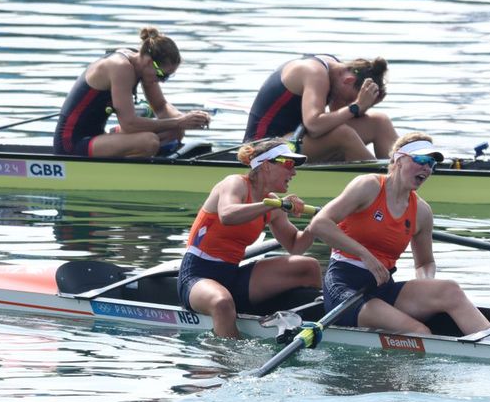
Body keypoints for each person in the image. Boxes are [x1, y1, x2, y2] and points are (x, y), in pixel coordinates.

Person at [308, 132, 490, 340]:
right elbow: (319, 224)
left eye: (431, 164)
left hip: (383, 287)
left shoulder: (422, 211)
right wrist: (365, 255)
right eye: (421, 160)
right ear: (398, 160)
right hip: (344, 285)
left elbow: (425, 263)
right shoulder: (368, 186)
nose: (427, 168)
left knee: (449, 289)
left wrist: (426, 285)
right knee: (419, 332)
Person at [178, 138, 322, 338]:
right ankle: (229, 361)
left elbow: (295, 246)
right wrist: (275, 204)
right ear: (265, 166)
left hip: (233, 275)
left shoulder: (273, 205)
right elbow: (227, 215)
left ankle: (306, 322)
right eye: (289, 164)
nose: (294, 172)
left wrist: (317, 224)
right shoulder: (235, 183)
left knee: (309, 267)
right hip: (197, 275)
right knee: (222, 303)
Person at [53, 26, 212, 157]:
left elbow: (161, 106)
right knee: (148, 141)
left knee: (174, 131)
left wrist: (188, 119)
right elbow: (129, 124)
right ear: (150, 62)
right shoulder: (120, 67)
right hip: (71, 144)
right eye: (162, 75)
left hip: (97, 137)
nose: (161, 80)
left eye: (168, 77)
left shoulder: (143, 65)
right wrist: (179, 121)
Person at [243, 54, 397, 163]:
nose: (348, 103)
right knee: (343, 134)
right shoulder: (314, 73)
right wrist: (357, 105)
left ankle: (400, 174)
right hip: (261, 147)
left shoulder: (337, 71)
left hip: (295, 138)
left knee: (379, 121)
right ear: (349, 80)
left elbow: (337, 116)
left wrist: (366, 105)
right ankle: (386, 187)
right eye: (350, 99)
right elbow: (315, 126)